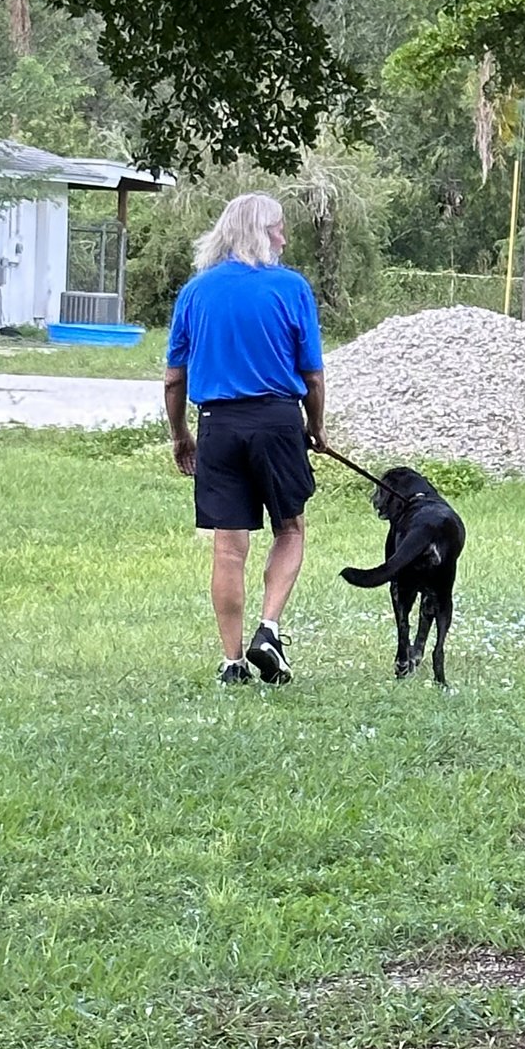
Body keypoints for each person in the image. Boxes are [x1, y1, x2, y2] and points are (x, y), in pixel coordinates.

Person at [164, 192, 326, 684]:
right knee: (290, 529)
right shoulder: (291, 288)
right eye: (279, 228)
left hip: (218, 425)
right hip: (278, 422)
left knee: (228, 547)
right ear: (260, 232)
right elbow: (312, 375)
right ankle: (268, 629)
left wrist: (181, 436)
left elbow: (174, 379)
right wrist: (315, 427)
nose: (284, 238)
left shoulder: (196, 292)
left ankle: (233, 662)